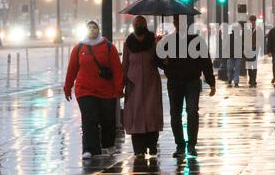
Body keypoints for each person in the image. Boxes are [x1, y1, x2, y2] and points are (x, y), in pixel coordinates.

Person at [64, 21, 124, 160]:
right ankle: (89, 148)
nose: (92, 30)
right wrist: (67, 87)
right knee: (89, 119)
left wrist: (119, 89)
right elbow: (72, 69)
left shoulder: (109, 47)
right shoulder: (79, 48)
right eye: (89, 28)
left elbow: (117, 69)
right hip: (85, 90)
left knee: (107, 119)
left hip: (106, 91)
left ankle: (108, 144)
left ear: (99, 30)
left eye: (94, 27)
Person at [160, 15, 216, 158]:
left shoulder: (196, 40)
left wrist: (211, 82)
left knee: (192, 112)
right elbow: (158, 60)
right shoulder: (167, 41)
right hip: (175, 81)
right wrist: (162, 58)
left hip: (192, 81)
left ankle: (191, 145)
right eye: (178, 21)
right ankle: (180, 145)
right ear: (175, 23)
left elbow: (206, 62)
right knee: (175, 114)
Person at [122, 16, 163, 159]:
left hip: (151, 83)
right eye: (136, 24)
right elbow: (125, 64)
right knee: (136, 116)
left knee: (152, 115)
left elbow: (162, 61)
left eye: (142, 23)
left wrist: (160, 46)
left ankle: (152, 146)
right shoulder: (128, 43)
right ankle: (138, 149)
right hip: (134, 85)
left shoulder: (153, 40)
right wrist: (121, 85)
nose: (139, 25)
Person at [246, 15, 260, 88]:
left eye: (253, 21)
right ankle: (251, 78)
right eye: (251, 21)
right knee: (249, 65)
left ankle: (253, 80)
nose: (252, 22)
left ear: (255, 21)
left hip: (255, 49)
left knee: (254, 64)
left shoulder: (258, 29)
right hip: (248, 49)